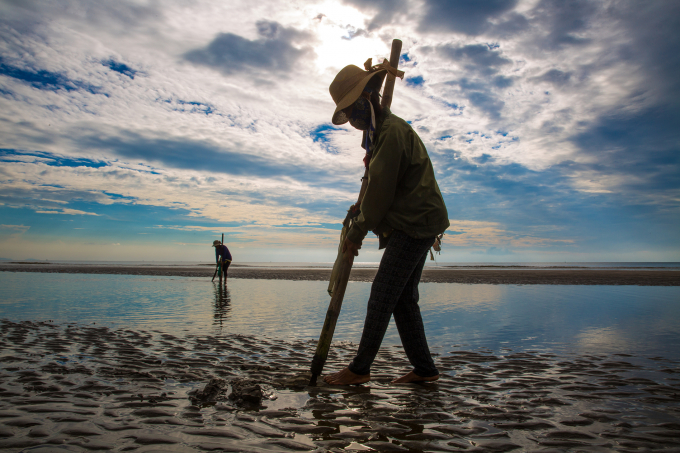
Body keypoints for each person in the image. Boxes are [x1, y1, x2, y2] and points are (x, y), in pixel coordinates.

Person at [323, 61, 450, 385]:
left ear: (368, 99)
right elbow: (376, 184)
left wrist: (356, 232)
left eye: (353, 111)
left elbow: (379, 194)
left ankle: (360, 369)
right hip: (411, 222)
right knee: (403, 299)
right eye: (347, 115)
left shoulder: (391, 133)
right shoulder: (379, 134)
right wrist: (360, 211)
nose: (351, 120)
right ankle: (425, 371)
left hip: (415, 224)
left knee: (382, 293)